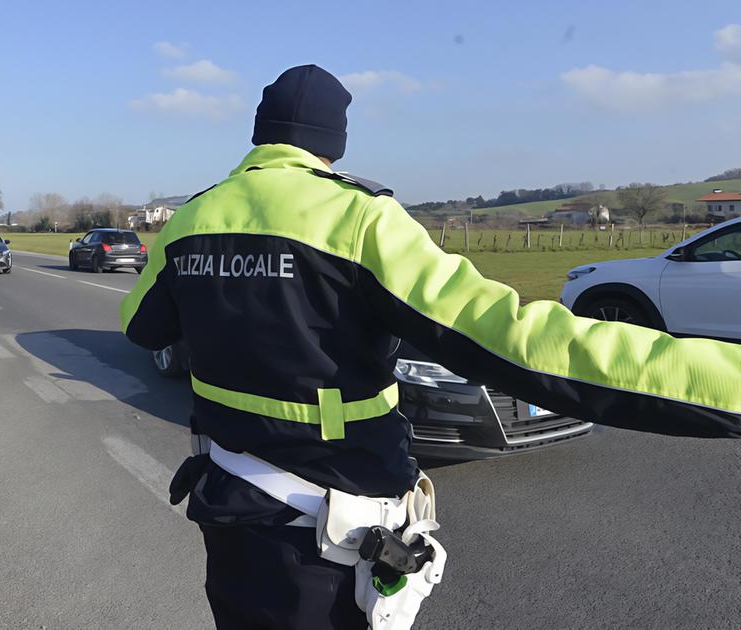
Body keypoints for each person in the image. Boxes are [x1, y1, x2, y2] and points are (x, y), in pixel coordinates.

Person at [120, 64, 741, 630]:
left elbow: (142, 327)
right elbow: (512, 340)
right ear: (332, 142)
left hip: (232, 516)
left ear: (260, 133)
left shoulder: (190, 219)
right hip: (326, 540)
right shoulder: (358, 217)